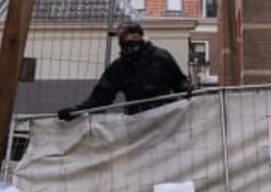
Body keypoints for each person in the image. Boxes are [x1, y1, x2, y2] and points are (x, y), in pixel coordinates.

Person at [58, 22, 191, 120]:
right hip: (138, 122)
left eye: (131, 38)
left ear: (139, 37)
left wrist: (188, 89)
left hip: (167, 118)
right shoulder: (119, 67)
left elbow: (179, 82)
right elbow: (101, 97)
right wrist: (76, 112)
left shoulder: (161, 57)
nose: (128, 43)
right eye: (123, 39)